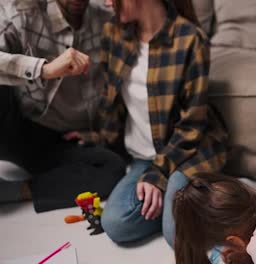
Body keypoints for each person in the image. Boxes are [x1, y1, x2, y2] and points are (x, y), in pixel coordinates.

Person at [85, 0, 228, 243]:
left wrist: (158, 176)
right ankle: (186, 202)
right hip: (144, 157)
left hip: (188, 153)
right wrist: (94, 138)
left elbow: (192, 125)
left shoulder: (190, 39)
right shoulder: (114, 32)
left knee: (175, 235)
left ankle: (215, 194)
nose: (106, 1)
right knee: (116, 224)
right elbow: (111, 100)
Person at [0, 0, 126, 212]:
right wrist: (44, 69)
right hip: (18, 123)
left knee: (112, 169)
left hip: (61, 141)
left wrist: (95, 135)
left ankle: (12, 191)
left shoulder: (107, 17)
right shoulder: (20, 12)